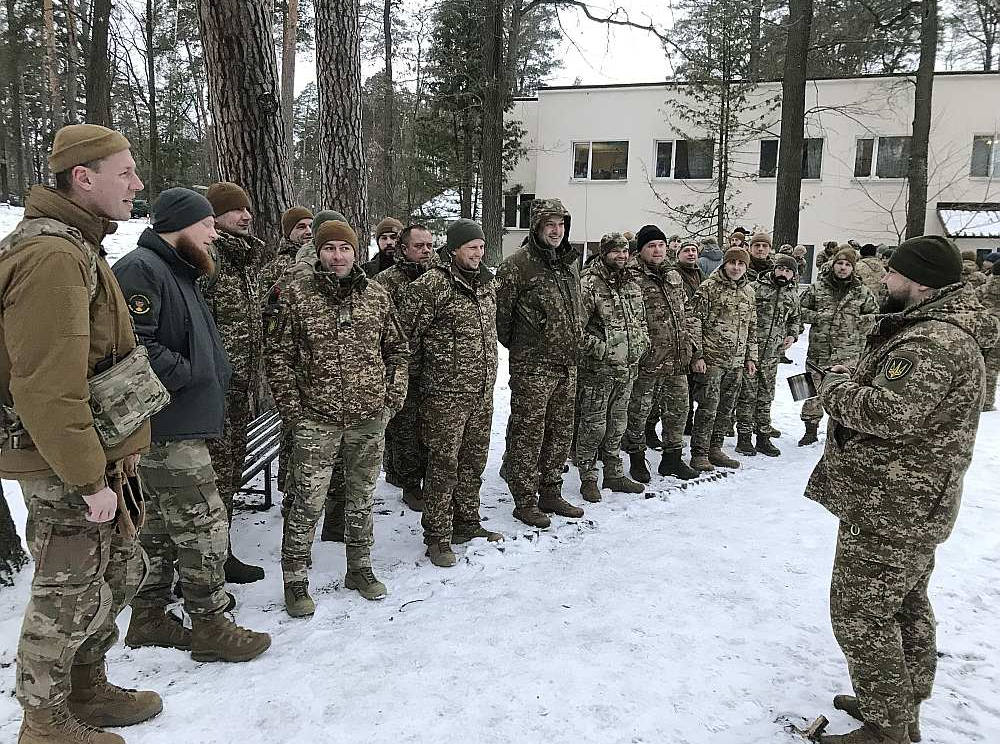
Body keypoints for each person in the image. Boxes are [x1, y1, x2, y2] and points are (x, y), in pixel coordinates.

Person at [0, 124, 161, 743]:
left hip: (92, 452)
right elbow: (47, 385)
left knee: (117, 572)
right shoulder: (53, 257)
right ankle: (43, 724)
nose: (137, 184)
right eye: (125, 172)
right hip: (65, 462)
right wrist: (89, 478)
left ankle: (85, 687)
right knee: (65, 591)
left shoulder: (76, 244)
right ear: (83, 178)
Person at [805, 235, 999, 744]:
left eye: (892, 272)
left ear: (919, 283)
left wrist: (835, 389)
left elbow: (889, 413)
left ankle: (886, 726)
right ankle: (896, 702)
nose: (885, 279)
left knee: (861, 613)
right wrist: (861, 376)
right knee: (905, 606)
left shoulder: (931, 342)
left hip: (894, 503)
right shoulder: (935, 331)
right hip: (906, 500)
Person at [113, 188, 271, 662]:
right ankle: (210, 625)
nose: (213, 234)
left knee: (160, 527)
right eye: (206, 225)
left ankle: (149, 617)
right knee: (204, 525)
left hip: (180, 421)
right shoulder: (142, 269)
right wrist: (193, 372)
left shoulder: (178, 269)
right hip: (169, 425)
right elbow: (133, 346)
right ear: (180, 225)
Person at [268, 219, 409, 614]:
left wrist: (391, 401)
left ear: (355, 252)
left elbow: (397, 351)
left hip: (368, 418)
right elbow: (278, 356)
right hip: (316, 420)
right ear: (318, 252)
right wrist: (294, 414)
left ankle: (359, 567)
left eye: (344, 248)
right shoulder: (297, 295)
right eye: (329, 248)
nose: (337, 256)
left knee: (361, 499)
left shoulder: (376, 296)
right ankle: (296, 579)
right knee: (307, 502)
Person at [398, 219, 502, 567]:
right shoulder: (432, 286)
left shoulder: (486, 284)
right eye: (472, 247)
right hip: (444, 397)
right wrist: (420, 386)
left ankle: (467, 522)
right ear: (454, 249)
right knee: (443, 467)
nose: (478, 253)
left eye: (482, 247)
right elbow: (406, 340)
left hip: (481, 394)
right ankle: (437, 536)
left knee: (473, 462)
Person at [496, 198, 585, 528]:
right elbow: (501, 320)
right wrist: (530, 344)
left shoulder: (568, 264)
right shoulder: (517, 265)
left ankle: (550, 491)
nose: (556, 230)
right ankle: (524, 499)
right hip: (533, 367)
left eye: (561, 224)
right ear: (536, 227)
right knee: (528, 433)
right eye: (550, 224)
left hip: (567, 364)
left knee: (560, 432)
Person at [202, 181, 268, 584]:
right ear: (213, 216)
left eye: (247, 209)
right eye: (234, 210)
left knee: (227, 476)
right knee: (208, 480)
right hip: (210, 394)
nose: (245, 216)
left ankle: (219, 553)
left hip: (240, 392)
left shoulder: (244, 260)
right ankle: (199, 565)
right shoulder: (208, 258)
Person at [574, 233, 650, 502]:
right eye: (616, 251)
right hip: (599, 371)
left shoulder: (631, 283)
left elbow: (641, 320)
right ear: (604, 252)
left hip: (627, 369)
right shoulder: (589, 284)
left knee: (618, 424)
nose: (622, 256)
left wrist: (641, 343)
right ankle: (588, 477)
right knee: (593, 425)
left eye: (625, 251)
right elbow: (576, 330)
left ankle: (614, 474)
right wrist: (603, 350)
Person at [621, 227, 700, 483]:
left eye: (661, 245)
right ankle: (636, 458)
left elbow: (688, 312)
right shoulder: (629, 276)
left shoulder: (673, 275)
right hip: (647, 361)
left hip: (677, 359)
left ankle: (672, 459)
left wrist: (693, 346)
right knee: (639, 411)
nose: (657, 250)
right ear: (641, 249)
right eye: (651, 245)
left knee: (678, 410)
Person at [374, 223, 437, 511]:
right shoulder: (386, 282)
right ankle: (410, 484)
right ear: (404, 248)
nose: (426, 251)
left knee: (431, 428)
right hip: (402, 368)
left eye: (429, 246)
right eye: (419, 246)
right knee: (405, 430)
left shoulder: (438, 277)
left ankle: (429, 478)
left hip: (436, 367)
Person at [798, 247, 878, 446]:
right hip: (818, 350)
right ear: (833, 265)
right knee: (808, 390)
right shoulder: (817, 288)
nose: (843, 268)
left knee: (847, 393)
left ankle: (843, 431)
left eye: (847, 264)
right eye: (839, 263)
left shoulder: (862, 291)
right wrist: (817, 317)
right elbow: (798, 310)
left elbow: (875, 316)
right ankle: (809, 429)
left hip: (848, 353)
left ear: (853, 268)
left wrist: (856, 321)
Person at [688, 247, 758, 471]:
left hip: (736, 362)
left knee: (726, 408)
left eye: (741, 263)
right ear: (724, 264)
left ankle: (715, 448)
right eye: (732, 263)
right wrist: (697, 355)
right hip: (712, 360)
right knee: (708, 407)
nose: (736, 267)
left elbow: (752, 326)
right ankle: (699, 453)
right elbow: (694, 321)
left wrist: (751, 357)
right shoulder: (709, 287)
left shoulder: (749, 292)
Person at [735, 254, 800, 457]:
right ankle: (744, 438)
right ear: (774, 269)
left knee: (766, 397)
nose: (783, 274)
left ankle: (763, 438)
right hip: (751, 353)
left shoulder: (792, 295)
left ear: (793, 275)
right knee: (747, 396)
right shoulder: (755, 288)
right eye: (780, 269)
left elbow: (795, 319)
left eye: (788, 271)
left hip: (772, 355)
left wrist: (792, 334)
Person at [262, 206, 312, 295]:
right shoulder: (275, 269)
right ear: (288, 232)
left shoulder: (325, 259)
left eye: (311, 226)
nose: (309, 231)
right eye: (301, 227)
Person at [977, 271, 1000, 411]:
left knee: (983, 364)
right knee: (993, 367)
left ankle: (981, 399)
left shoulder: (986, 286)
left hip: (987, 327)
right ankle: (987, 401)